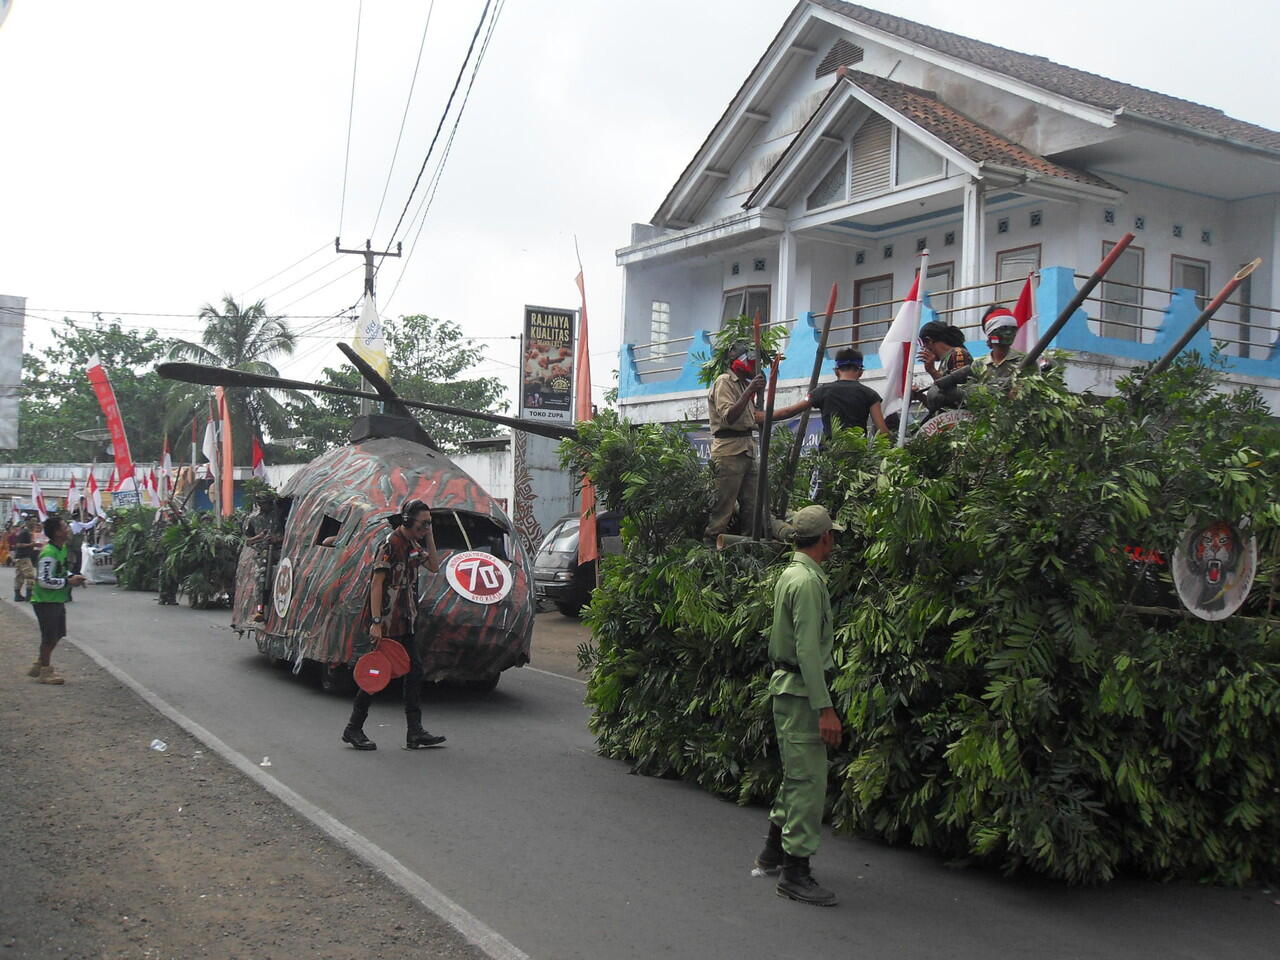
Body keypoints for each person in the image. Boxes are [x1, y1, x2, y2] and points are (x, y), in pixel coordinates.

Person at [754, 504, 844, 907]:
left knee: (797, 776)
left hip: (790, 689)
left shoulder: (793, 574)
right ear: (825, 538)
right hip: (802, 694)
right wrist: (825, 708)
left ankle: (774, 852)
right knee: (809, 784)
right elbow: (808, 651)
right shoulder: (806, 582)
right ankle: (796, 872)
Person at [342, 498, 447, 752]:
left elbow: (434, 566)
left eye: (429, 523)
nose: (426, 527)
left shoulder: (412, 543)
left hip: (406, 619)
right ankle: (353, 727)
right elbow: (376, 584)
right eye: (423, 523)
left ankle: (415, 731)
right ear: (408, 521)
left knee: (414, 672)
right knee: (377, 673)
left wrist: (430, 536)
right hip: (388, 622)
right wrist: (376, 622)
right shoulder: (390, 544)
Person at [704, 342, 767, 543]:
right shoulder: (725, 381)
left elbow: (754, 418)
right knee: (723, 508)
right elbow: (729, 417)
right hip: (729, 451)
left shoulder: (742, 384)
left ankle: (748, 550)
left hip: (747, 448)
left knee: (753, 506)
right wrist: (750, 390)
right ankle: (711, 551)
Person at [774, 347, 890, 442]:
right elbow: (883, 432)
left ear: (836, 370)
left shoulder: (821, 391)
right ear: (860, 371)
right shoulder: (870, 395)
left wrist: (761, 417)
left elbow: (789, 411)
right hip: (857, 456)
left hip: (830, 458)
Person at [27, 515, 88, 684]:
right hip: (45, 601)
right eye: (64, 528)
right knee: (49, 637)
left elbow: (60, 570)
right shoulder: (49, 553)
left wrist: (73, 576)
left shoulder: (61, 549)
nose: (68, 530)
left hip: (56, 599)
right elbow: (44, 580)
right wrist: (68, 582)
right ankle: (45, 671)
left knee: (58, 633)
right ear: (57, 533)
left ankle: (40, 663)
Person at [12, 516, 39, 602]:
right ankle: (29, 595)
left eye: (36, 521)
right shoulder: (24, 532)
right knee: (30, 575)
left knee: (20, 576)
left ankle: (17, 595)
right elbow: (19, 545)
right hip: (24, 557)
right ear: (28, 522)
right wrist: (31, 545)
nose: (35, 523)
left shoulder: (27, 532)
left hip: (21, 557)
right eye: (33, 521)